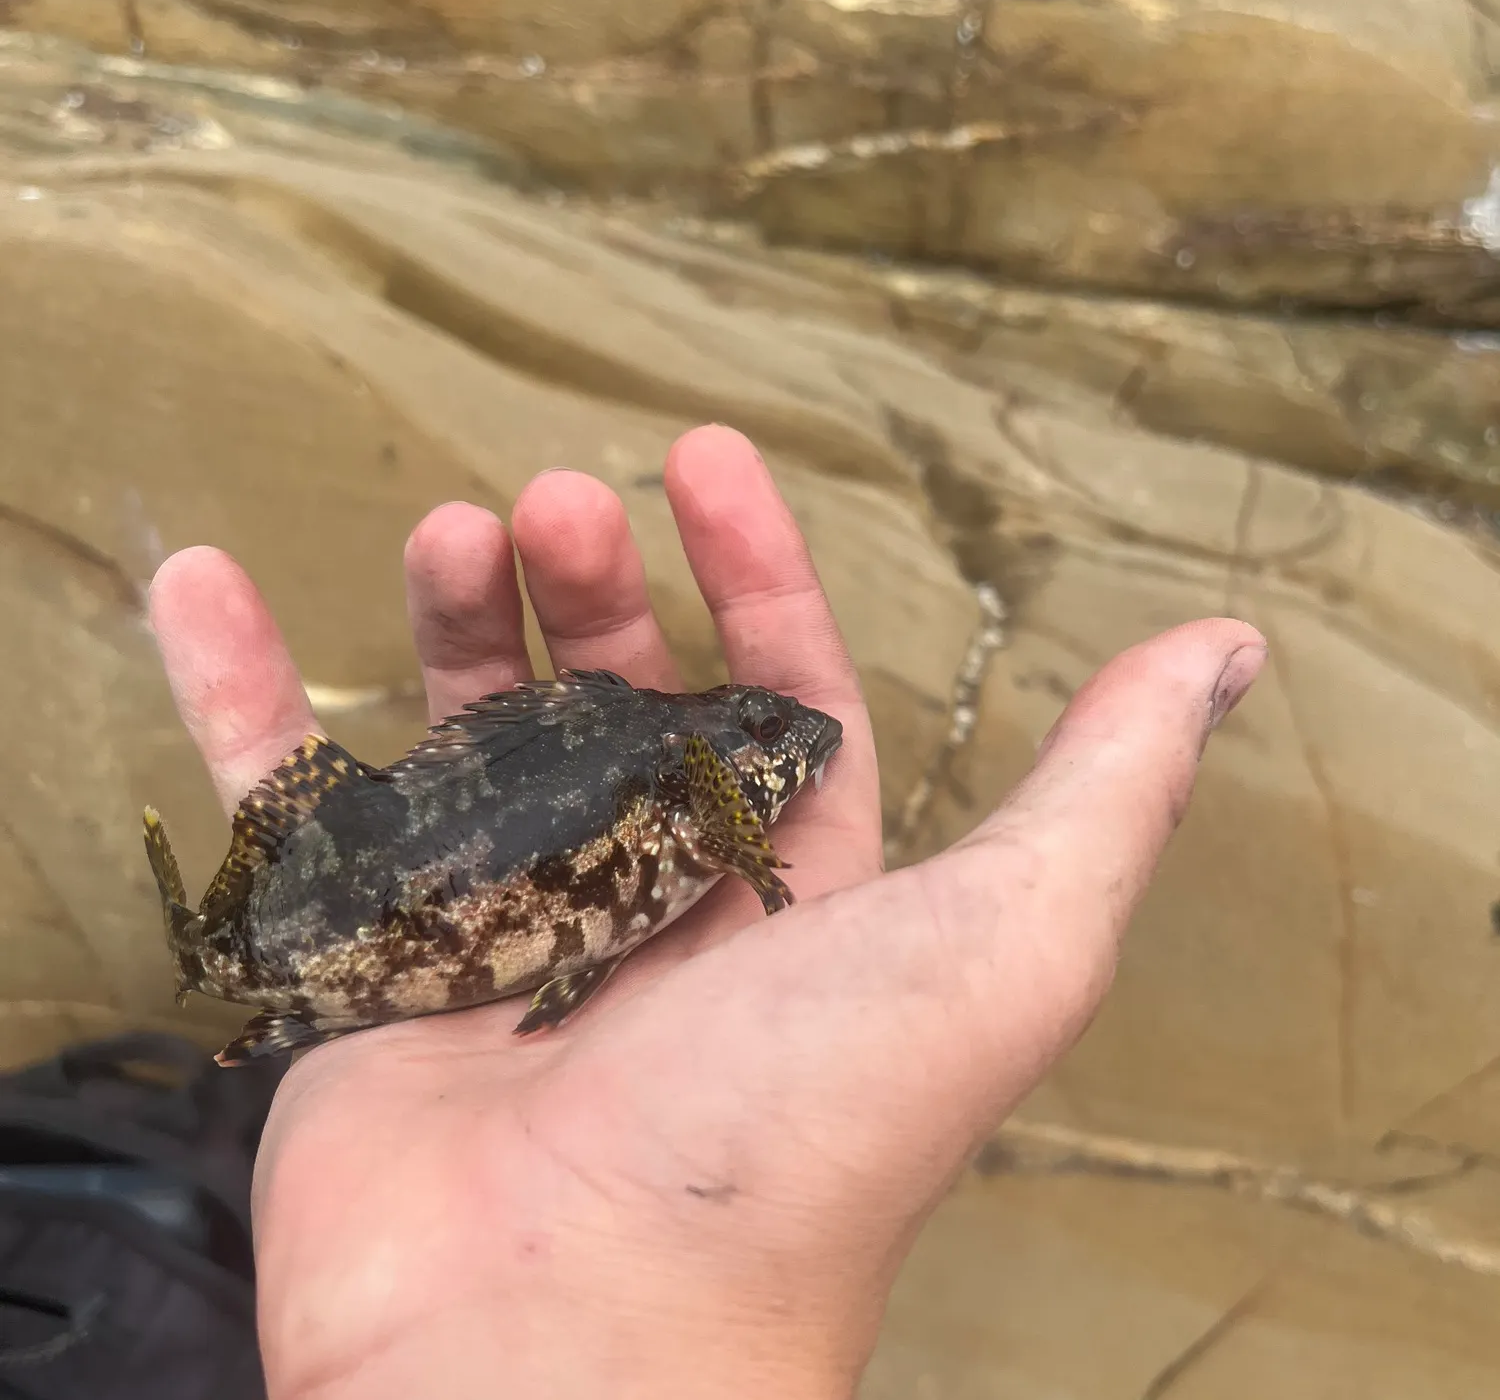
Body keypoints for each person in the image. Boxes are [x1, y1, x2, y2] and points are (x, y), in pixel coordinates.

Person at [147, 424, 1265, 1399]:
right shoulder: (684, 782)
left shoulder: (689, 785)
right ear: (720, 767)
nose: (805, 748)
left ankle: (216, 959)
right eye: (770, 739)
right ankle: (215, 951)